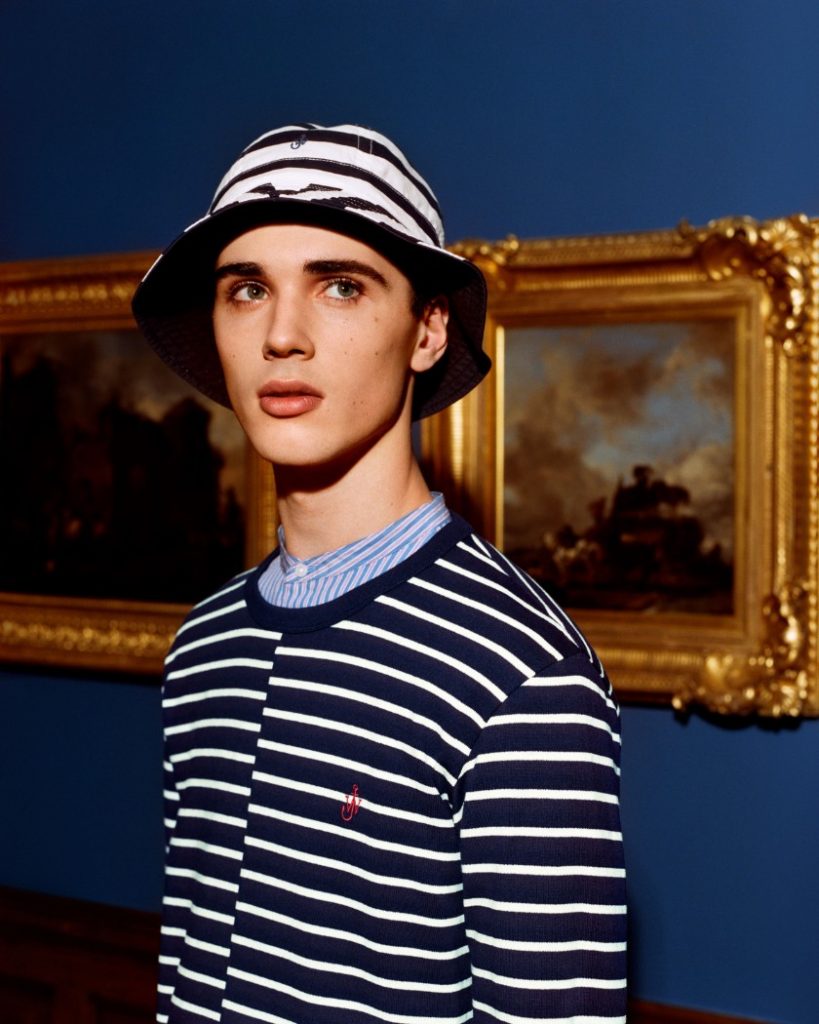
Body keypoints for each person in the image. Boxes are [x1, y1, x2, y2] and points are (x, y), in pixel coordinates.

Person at [133, 123, 627, 1024]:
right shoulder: (204, 645)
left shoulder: (520, 674)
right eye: (247, 290)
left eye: (341, 286)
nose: (282, 336)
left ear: (427, 330)